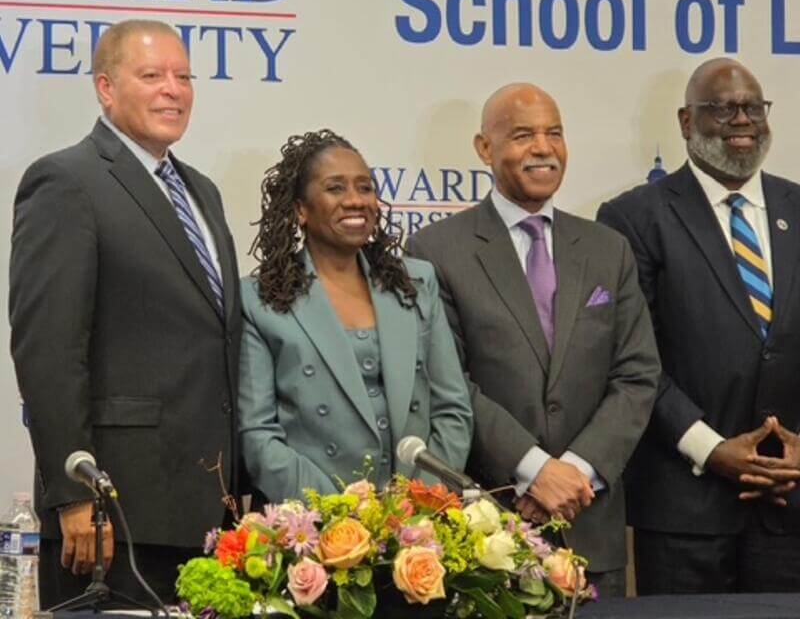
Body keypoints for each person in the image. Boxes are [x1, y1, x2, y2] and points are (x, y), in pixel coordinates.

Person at [9, 20, 242, 608]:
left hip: (212, 512)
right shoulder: (66, 180)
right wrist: (74, 494)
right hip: (115, 513)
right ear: (106, 88)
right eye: (152, 75)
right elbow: (48, 349)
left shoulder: (203, 191)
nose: (174, 90)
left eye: (184, 76)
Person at [405, 83, 660, 597]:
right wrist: (534, 469)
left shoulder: (608, 248)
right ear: (484, 148)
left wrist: (575, 472)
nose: (543, 148)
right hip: (488, 529)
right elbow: (446, 381)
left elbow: (637, 375)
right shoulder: (435, 250)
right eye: (523, 135)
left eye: (554, 133)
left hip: (591, 526)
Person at [597, 57, 800, 594]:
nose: (743, 120)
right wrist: (711, 448)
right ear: (687, 122)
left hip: (789, 502)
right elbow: (632, 359)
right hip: (685, 512)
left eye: (754, 107)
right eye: (723, 109)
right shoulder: (633, 218)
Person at [239, 130, 472, 502]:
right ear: (300, 209)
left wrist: (419, 504)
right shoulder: (259, 299)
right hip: (312, 518)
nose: (355, 200)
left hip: (416, 517)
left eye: (365, 188)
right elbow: (258, 434)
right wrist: (338, 513)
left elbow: (452, 409)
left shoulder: (415, 283)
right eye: (335, 188)